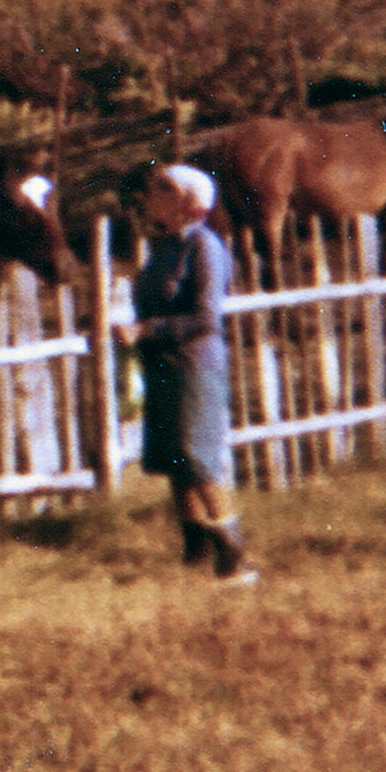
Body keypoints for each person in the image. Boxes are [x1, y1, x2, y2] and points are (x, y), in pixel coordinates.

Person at [113, 164, 253, 583]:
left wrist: (147, 330)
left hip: (194, 366)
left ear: (188, 202)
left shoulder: (204, 247)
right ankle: (196, 550)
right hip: (162, 363)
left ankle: (234, 555)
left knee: (196, 458)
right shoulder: (165, 248)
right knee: (174, 460)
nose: (151, 196)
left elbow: (207, 318)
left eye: (163, 189)